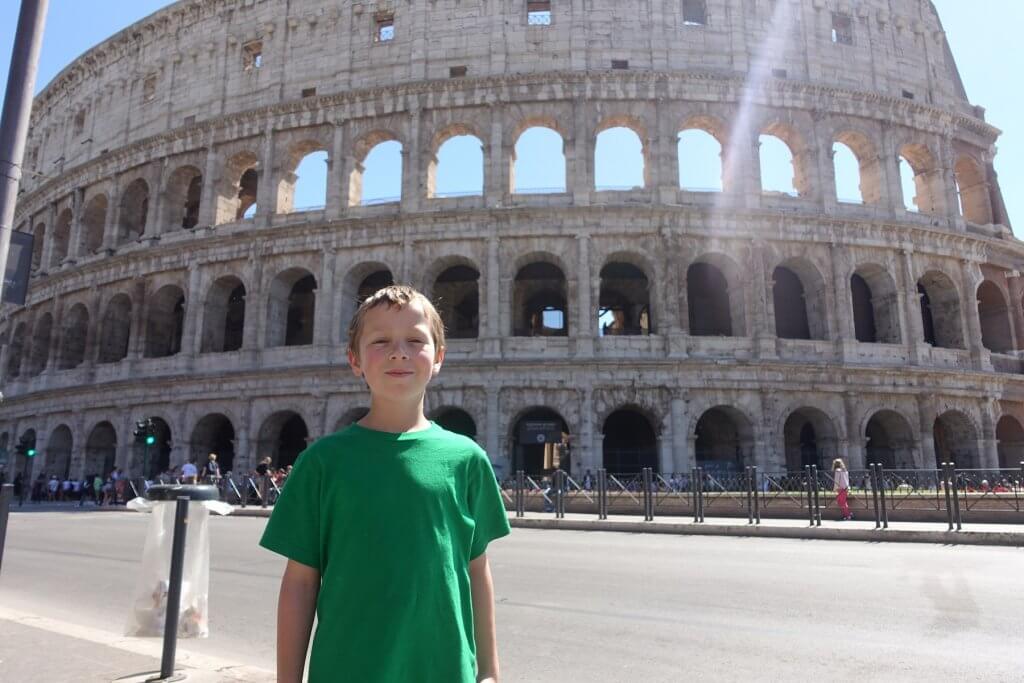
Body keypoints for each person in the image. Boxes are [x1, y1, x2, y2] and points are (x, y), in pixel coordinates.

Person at [260, 285, 510, 683]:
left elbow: (476, 570)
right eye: (381, 341)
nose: (399, 352)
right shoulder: (322, 463)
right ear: (354, 360)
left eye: (415, 340)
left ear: (439, 357)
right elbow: (300, 582)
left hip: (446, 672)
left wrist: (490, 671)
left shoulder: (467, 459)